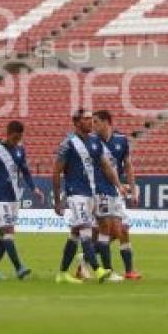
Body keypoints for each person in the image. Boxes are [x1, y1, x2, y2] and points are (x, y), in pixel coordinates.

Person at [52, 109, 125, 284]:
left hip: (93, 192)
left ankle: (62, 273)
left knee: (79, 232)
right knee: (85, 230)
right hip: (76, 193)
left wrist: (119, 185)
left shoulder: (95, 142)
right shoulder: (68, 144)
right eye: (86, 119)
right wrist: (57, 201)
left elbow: (107, 166)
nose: (90, 122)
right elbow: (56, 172)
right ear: (76, 123)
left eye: (91, 119)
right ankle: (98, 270)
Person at [0, 120, 44, 280]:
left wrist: (34, 188)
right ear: (9, 133)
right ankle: (19, 268)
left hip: (14, 197)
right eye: (15, 137)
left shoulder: (20, 149)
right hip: (0, 197)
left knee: (3, 236)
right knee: (8, 232)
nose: (18, 140)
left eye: (20, 138)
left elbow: (25, 171)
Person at [92, 110, 141, 280]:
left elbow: (127, 166)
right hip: (100, 190)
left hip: (115, 191)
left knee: (123, 229)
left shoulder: (121, 140)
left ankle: (129, 270)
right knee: (106, 230)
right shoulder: (92, 142)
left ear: (107, 122)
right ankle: (103, 268)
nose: (93, 125)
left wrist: (133, 190)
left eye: (96, 122)